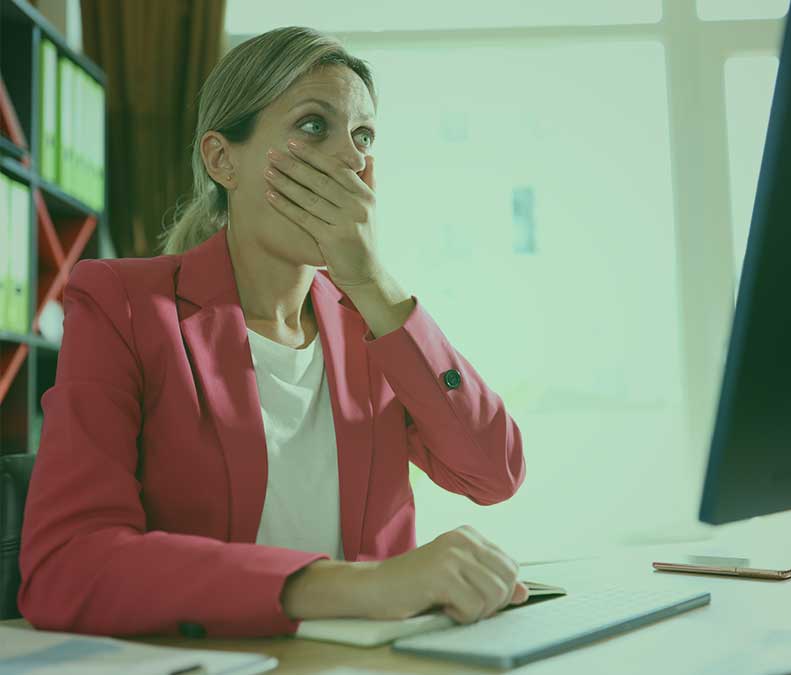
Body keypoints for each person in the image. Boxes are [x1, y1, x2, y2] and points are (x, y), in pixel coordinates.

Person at [17, 26, 528, 639]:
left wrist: (374, 286)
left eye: (363, 136)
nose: (351, 160)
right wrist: (355, 587)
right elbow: (64, 567)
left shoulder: (376, 324)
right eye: (314, 125)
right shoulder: (123, 304)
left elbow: (493, 473)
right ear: (222, 159)